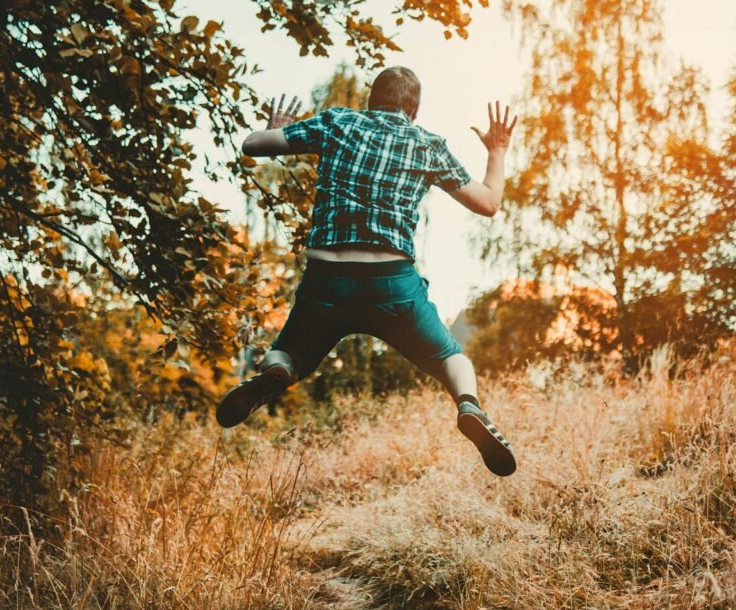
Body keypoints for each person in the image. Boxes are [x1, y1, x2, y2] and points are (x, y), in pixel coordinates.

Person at [217, 66, 518, 477]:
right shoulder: (426, 144)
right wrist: (496, 150)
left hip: (327, 280)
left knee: (286, 352)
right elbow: (488, 203)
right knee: (451, 358)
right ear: (414, 109)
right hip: (391, 283)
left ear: (372, 99)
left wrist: (277, 129)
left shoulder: (338, 122)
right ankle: (468, 405)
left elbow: (253, 145)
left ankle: (278, 373)